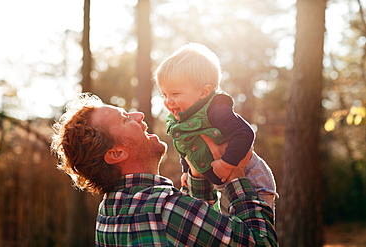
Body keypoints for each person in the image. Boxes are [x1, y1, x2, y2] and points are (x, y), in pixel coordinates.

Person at [50, 93, 278, 247]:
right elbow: (262, 243)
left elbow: (191, 235)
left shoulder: (108, 213)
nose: (138, 116)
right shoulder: (165, 209)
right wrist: (236, 176)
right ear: (116, 154)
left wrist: (198, 177)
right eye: (124, 118)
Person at [154, 42, 278, 211]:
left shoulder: (216, 110)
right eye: (165, 94)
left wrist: (227, 163)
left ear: (204, 92)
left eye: (175, 94)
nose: (168, 101)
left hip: (251, 179)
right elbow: (187, 146)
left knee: (247, 231)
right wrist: (185, 169)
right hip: (223, 184)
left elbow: (245, 133)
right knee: (227, 229)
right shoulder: (181, 120)